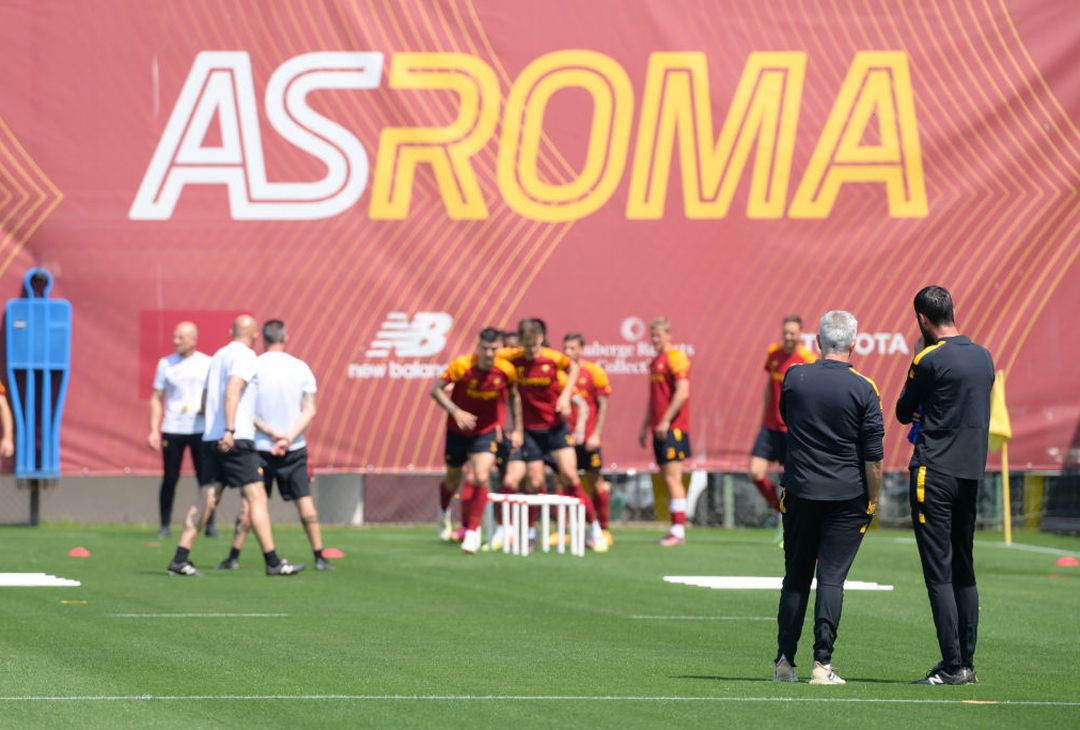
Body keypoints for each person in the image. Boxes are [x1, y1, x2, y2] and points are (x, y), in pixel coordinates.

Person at [772, 310, 883, 685]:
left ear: (817, 343)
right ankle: (823, 664)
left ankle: (785, 662)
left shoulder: (795, 377)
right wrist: (874, 500)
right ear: (854, 344)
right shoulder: (865, 387)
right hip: (847, 496)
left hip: (801, 490)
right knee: (831, 579)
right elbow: (874, 458)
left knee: (796, 577)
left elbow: (787, 418)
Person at [896, 286, 994, 686]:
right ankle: (966, 663)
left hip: (933, 473)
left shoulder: (928, 358)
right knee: (963, 568)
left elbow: (903, 412)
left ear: (922, 318)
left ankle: (952, 665)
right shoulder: (983, 356)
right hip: (969, 474)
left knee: (938, 573)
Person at [166, 314, 304, 577]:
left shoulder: (217, 356)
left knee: (207, 497)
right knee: (257, 497)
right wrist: (230, 429)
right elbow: (233, 390)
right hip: (235, 438)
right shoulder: (246, 356)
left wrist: (217, 428)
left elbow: (206, 400)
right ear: (254, 336)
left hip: (210, 438)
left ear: (231, 331)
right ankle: (273, 562)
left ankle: (180, 558)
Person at [218, 320, 332, 571]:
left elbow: (244, 409)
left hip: (260, 446)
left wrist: (272, 434)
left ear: (263, 338)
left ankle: (233, 557)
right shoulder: (300, 367)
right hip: (294, 446)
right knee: (304, 501)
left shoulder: (253, 365)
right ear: (285, 336)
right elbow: (310, 408)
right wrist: (288, 437)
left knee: (250, 502)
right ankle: (319, 557)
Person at [498, 318, 607, 551]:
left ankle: (595, 528)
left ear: (540, 339)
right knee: (535, 481)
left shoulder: (553, 358)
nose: (530, 351)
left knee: (570, 476)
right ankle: (529, 532)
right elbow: (489, 360)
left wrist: (566, 396)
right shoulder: (513, 358)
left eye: (534, 345)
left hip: (556, 430)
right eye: (526, 345)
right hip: (531, 432)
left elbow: (575, 367)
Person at [431, 327, 521, 554]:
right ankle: (443, 512)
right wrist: (455, 411)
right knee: (453, 480)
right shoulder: (462, 366)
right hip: (458, 430)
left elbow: (513, 397)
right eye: (485, 348)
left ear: (499, 349)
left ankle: (472, 532)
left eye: (494, 349)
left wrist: (517, 428)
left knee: (481, 476)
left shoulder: (506, 371)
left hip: (486, 432)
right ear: (478, 347)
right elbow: (436, 390)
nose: (489, 354)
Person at [147, 321, 215, 539]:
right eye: (174, 337)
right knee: (170, 478)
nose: (176, 341)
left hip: (200, 429)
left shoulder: (208, 363)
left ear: (193, 340)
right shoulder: (166, 364)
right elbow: (156, 398)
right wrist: (154, 430)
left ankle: (209, 524)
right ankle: (165, 525)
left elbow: (215, 396)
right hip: (173, 428)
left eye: (181, 338)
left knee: (205, 479)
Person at [749, 316, 816, 520]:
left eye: (792, 333)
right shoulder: (773, 354)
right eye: (785, 332)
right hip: (770, 427)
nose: (788, 336)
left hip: (792, 429)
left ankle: (796, 516)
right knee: (755, 472)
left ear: (800, 333)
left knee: (795, 480)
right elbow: (770, 386)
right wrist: (764, 416)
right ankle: (780, 511)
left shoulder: (808, 359)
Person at [639, 317, 692, 546]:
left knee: (673, 479)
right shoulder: (655, 361)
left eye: (659, 335)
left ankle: (678, 531)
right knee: (667, 478)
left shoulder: (676, 357)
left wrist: (666, 421)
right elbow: (654, 400)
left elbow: (682, 393)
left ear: (669, 335)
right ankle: (676, 527)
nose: (655, 339)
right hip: (659, 429)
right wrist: (645, 426)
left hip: (674, 429)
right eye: (652, 335)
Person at [563, 332, 614, 547]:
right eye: (566, 348)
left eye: (573, 348)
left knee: (596, 481)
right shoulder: (561, 372)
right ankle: (566, 529)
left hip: (588, 439)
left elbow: (603, 405)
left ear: (582, 349)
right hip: (565, 438)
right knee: (564, 481)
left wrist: (596, 434)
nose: (568, 352)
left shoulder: (594, 372)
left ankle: (603, 529)